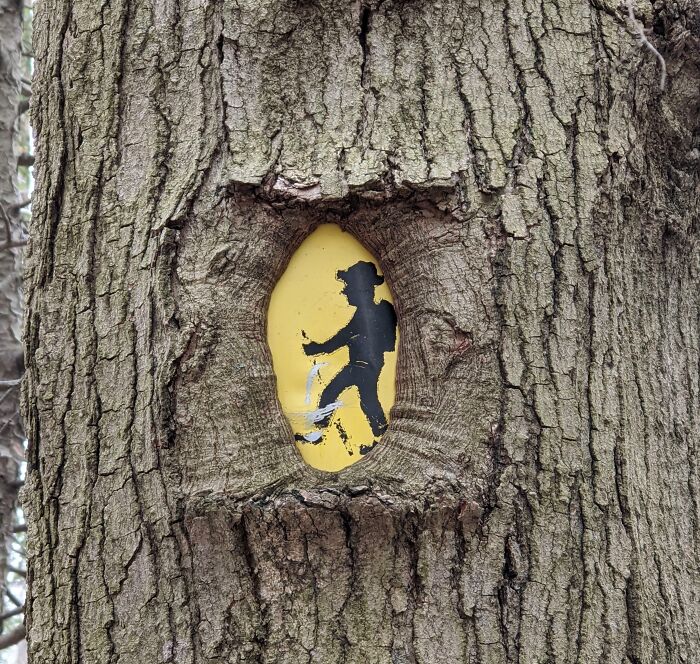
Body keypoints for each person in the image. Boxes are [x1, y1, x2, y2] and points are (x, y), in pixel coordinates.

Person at [297, 261, 396, 445]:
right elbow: (341, 339)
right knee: (360, 399)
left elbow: (386, 342)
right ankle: (378, 436)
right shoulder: (361, 314)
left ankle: (380, 437)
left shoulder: (380, 310)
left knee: (362, 399)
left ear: (363, 289)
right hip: (358, 365)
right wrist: (316, 348)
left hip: (366, 367)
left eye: (349, 287)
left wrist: (357, 339)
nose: (345, 292)